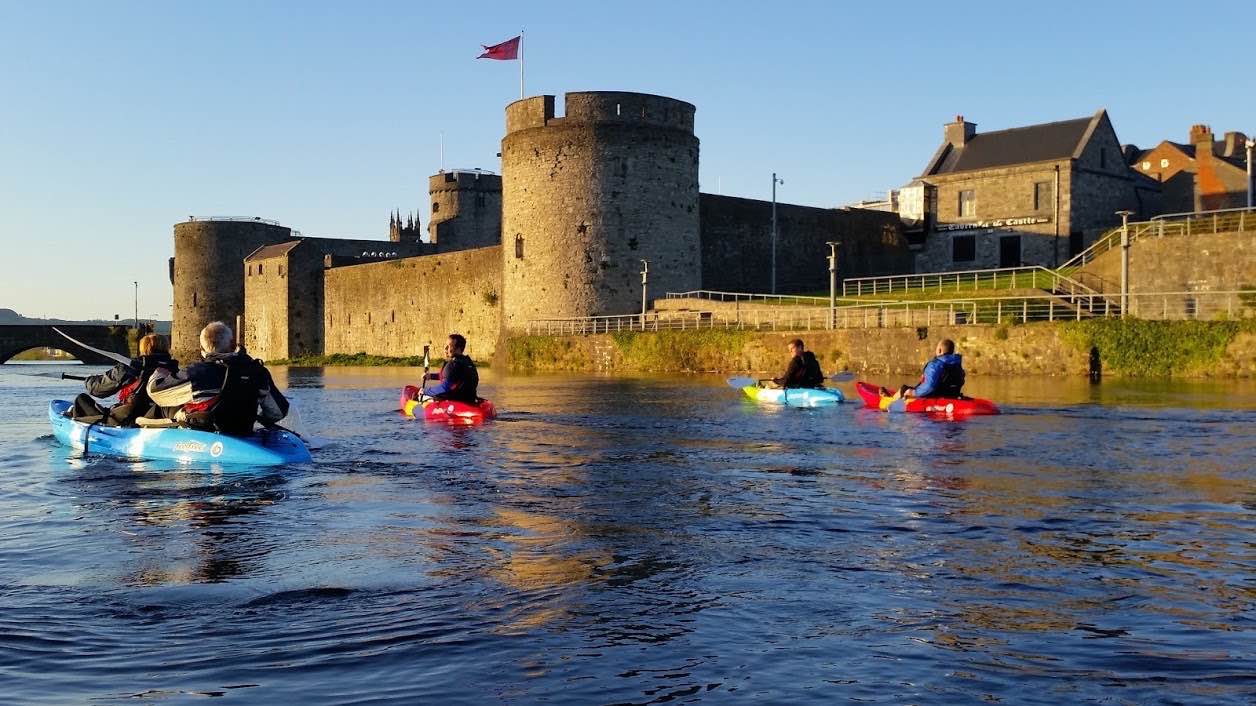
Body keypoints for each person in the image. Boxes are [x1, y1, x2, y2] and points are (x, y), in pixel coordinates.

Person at [147, 321, 289, 436]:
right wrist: (260, 419)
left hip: (205, 431)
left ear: (201, 349)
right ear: (232, 344)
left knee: (165, 408)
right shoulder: (257, 371)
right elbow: (279, 411)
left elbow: (155, 392)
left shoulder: (196, 373)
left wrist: (159, 370)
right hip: (244, 431)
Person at [69, 333, 179, 426]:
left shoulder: (131, 367)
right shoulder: (173, 367)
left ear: (143, 348)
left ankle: (77, 424)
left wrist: (89, 381)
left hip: (129, 415)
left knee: (81, 399)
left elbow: (98, 389)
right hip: (156, 412)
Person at [888, 338, 966, 399]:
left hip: (934, 397)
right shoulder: (957, 364)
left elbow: (929, 387)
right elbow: (961, 381)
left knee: (904, 388)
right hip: (952, 396)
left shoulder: (935, 365)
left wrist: (913, 393)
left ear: (939, 350)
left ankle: (890, 401)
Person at [422, 333, 480, 403]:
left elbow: (444, 388)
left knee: (422, 396)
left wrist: (425, 391)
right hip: (470, 399)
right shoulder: (468, 362)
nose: (445, 348)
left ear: (458, 349)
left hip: (454, 401)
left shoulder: (453, 365)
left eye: (449, 346)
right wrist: (431, 376)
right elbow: (451, 377)